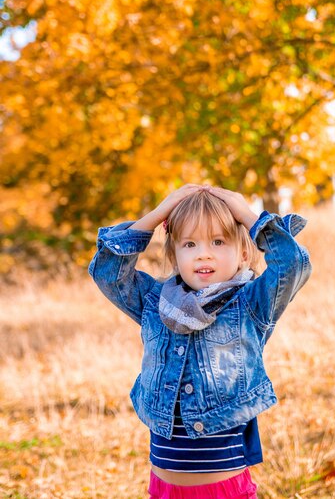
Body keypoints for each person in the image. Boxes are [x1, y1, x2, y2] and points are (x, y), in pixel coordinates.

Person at [88, 184, 312, 498]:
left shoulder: (250, 304)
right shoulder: (156, 302)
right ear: (175, 255)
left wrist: (246, 214)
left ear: (243, 252)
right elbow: (107, 273)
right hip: (163, 487)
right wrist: (157, 215)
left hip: (224, 489)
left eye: (218, 241)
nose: (203, 253)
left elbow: (293, 265)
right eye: (189, 244)